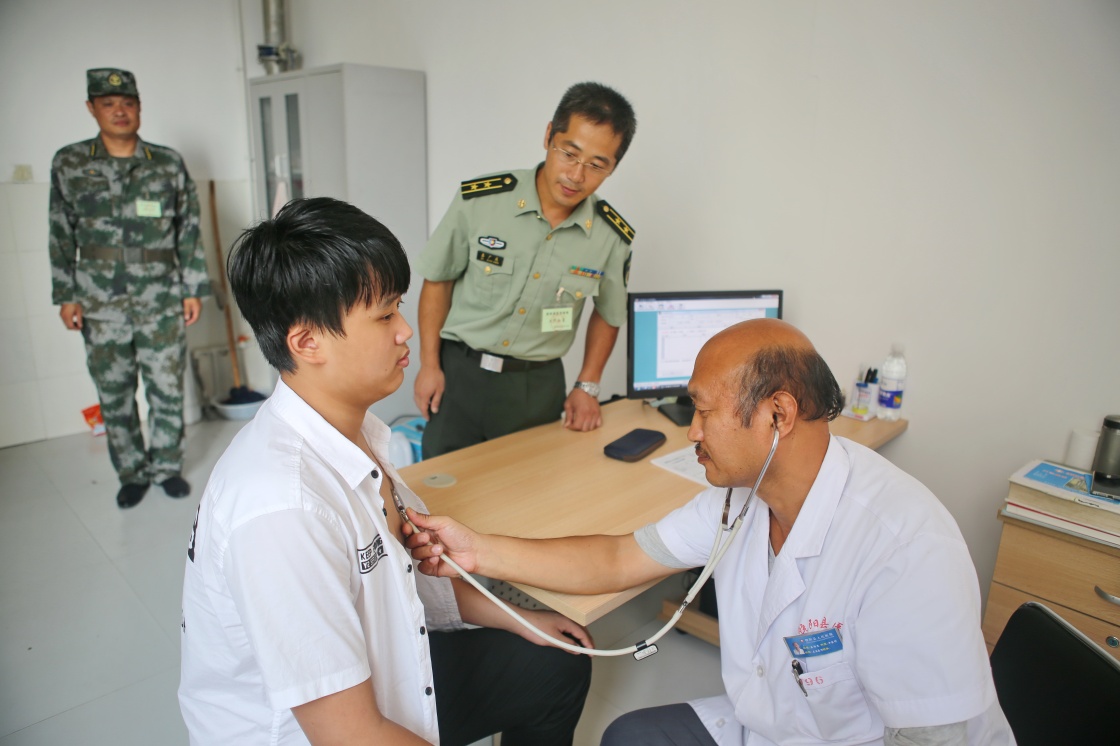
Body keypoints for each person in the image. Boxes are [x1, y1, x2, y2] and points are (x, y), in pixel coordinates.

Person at [406, 318, 1015, 745]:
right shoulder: (741, 498)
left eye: (703, 410)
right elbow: (618, 560)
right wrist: (477, 550)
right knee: (627, 738)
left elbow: (934, 739)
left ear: (777, 414)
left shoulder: (905, 550)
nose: (692, 431)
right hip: (772, 725)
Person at [178, 197, 592, 746]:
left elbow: (403, 580)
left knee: (560, 664)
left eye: (398, 307)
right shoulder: (282, 509)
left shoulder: (356, 434)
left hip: (379, 667)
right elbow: (349, 735)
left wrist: (518, 617)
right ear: (307, 341)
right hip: (308, 733)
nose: (406, 331)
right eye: (384, 315)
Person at [413, 81, 637, 458]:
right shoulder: (480, 201)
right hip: (458, 375)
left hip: (536, 387)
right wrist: (428, 364)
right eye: (569, 153)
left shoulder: (610, 236)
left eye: (596, 165)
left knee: (529, 488)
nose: (576, 175)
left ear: (612, 167)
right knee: (441, 481)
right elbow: (438, 280)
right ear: (549, 136)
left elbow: (610, 313)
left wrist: (588, 385)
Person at [48, 68, 209, 509]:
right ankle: (132, 473)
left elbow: (188, 229)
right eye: (108, 103)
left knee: (167, 388)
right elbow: (59, 231)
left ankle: (166, 468)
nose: (119, 111)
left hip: (161, 297)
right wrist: (66, 294)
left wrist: (192, 287)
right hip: (99, 303)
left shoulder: (167, 163)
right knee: (115, 393)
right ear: (92, 108)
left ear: (139, 107)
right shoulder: (70, 162)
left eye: (128, 103)